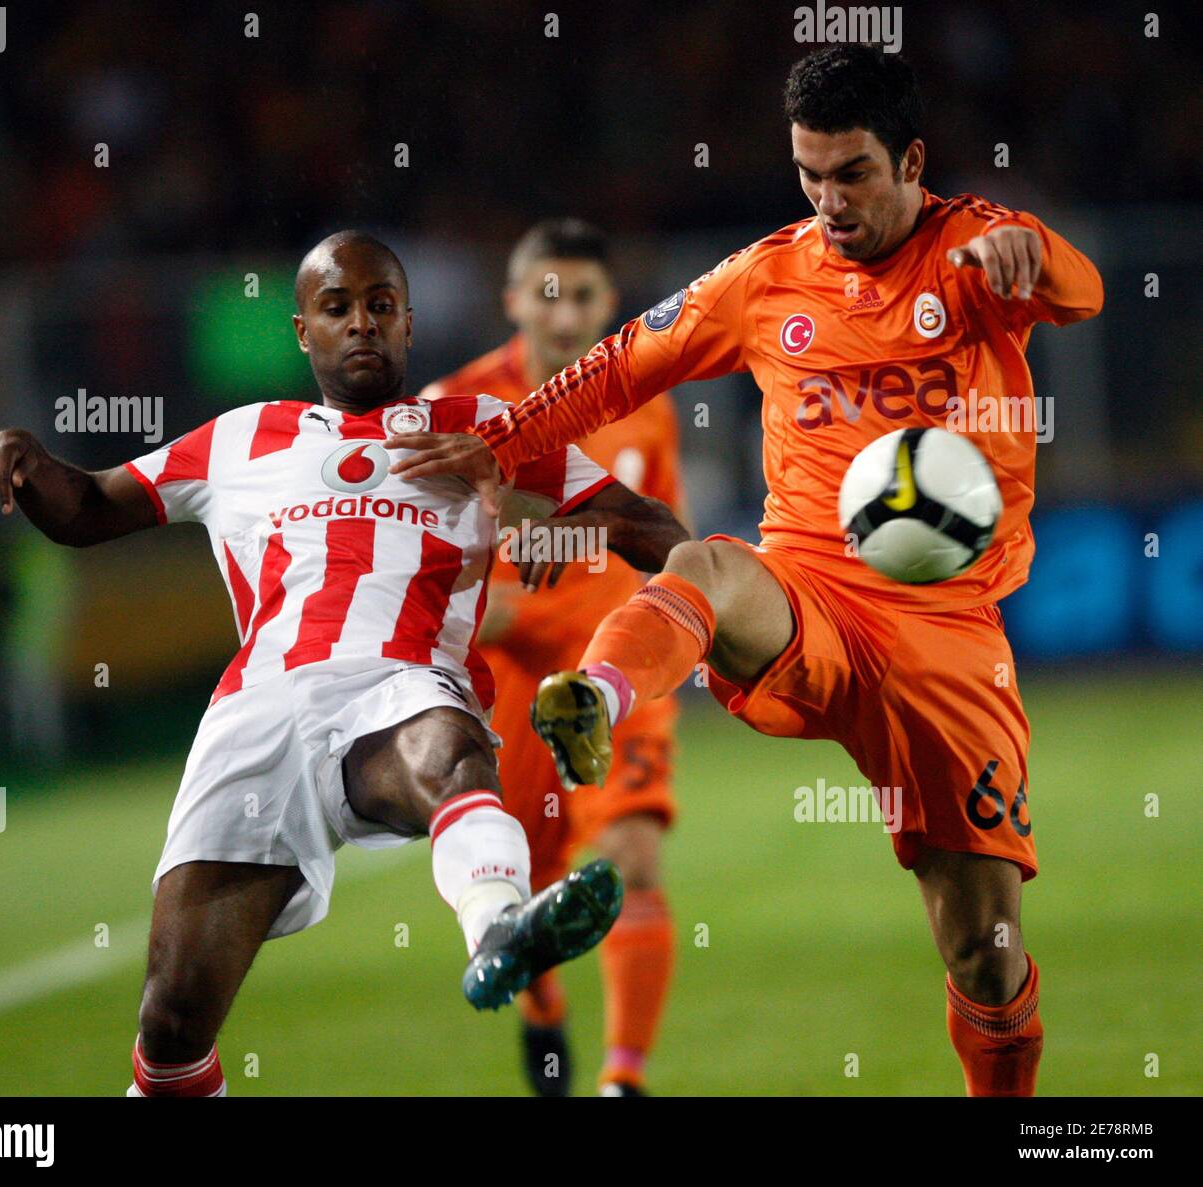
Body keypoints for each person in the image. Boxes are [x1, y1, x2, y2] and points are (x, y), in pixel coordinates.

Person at [386, 48, 1105, 1097]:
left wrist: (1024, 255)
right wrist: (505, 445)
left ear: (910, 160)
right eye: (808, 175)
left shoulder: (973, 248)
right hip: (807, 594)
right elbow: (620, 360)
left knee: (983, 949)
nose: (828, 201)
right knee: (711, 563)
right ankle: (598, 694)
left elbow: (1079, 290)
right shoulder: (767, 276)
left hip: (949, 632)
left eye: (850, 173)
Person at [0, 230, 688, 1097]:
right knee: (172, 1025)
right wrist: (28, 462)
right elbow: (89, 508)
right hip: (255, 716)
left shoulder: (483, 428)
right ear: (304, 330)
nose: (361, 324)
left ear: (409, 325)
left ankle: (498, 927)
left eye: (381, 307)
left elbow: (653, 529)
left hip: (404, 684)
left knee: (449, 751)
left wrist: (555, 521)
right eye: (338, 308)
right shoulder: (239, 438)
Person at [421, 219, 687, 1096]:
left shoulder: (645, 405)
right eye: (547, 293)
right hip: (510, 685)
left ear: (609, 305)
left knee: (633, 855)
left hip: (613, 669)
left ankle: (624, 1080)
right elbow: (414, 563)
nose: (564, 313)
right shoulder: (454, 412)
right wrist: (472, 610)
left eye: (583, 296)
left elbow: (666, 541)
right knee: (527, 888)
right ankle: (542, 1015)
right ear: (512, 300)